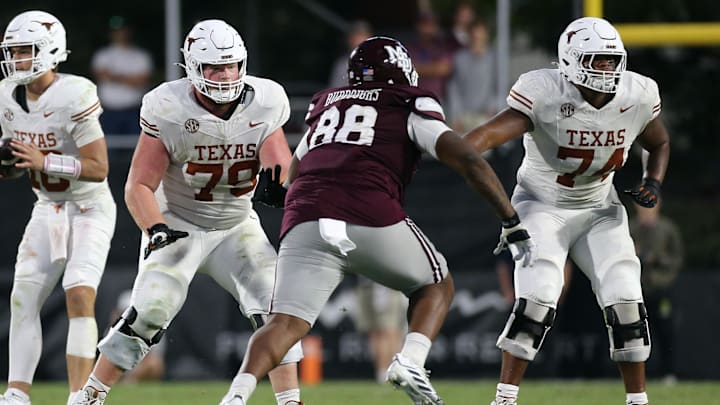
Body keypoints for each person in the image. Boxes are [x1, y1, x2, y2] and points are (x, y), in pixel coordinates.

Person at [226, 36, 536, 405]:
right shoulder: (408, 102)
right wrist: (510, 218)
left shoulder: (327, 105)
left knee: (284, 323)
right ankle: (410, 362)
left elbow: (292, 173)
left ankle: (236, 395)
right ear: (402, 71)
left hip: (305, 213)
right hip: (365, 208)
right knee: (437, 284)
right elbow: (466, 158)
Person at [70, 19, 303, 405]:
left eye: (231, 65)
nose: (225, 74)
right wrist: (155, 228)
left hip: (235, 224)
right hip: (179, 222)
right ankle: (89, 395)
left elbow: (279, 164)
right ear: (193, 67)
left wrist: (281, 184)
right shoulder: (168, 106)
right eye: (214, 66)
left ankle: (290, 400)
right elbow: (139, 185)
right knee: (150, 309)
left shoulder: (266, 98)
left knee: (276, 304)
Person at [464, 17, 671, 405]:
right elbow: (488, 135)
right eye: (597, 60)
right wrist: (460, 147)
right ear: (571, 60)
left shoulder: (637, 94)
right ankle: (505, 399)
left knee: (626, 295)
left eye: (612, 60)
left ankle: (638, 401)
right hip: (542, 205)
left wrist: (653, 181)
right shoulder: (544, 91)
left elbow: (658, 143)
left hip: (599, 208)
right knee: (539, 295)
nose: (607, 69)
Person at [0, 10, 117, 405]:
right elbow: (21, 165)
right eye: (13, 51)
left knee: (79, 294)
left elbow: (100, 168)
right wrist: (9, 166)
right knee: (23, 297)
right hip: (47, 207)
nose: (17, 59)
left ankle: (79, 396)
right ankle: (17, 393)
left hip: (88, 208)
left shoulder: (75, 93)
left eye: (25, 51)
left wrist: (44, 161)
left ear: (49, 51)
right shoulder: (5, 95)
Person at [629, 201, 683, 383]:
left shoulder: (668, 229)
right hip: (637, 290)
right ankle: (634, 375)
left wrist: (656, 260)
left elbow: (676, 259)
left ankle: (668, 373)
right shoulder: (630, 228)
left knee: (665, 330)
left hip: (661, 289)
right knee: (634, 333)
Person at [91, 16, 153, 135]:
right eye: (116, 31)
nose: (119, 34)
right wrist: (130, 79)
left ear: (128, 31)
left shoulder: (140, 55)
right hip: (108, 111)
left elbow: (141, 81)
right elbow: (100, 75)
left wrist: (113, 76)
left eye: (122, 30)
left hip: (134, 110)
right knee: (109, 149)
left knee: (137, 149)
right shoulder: (102, 55)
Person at [445, 19, 498, 133]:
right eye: (474, 36)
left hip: (486, 116)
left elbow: (498, 85)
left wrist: (492, 110)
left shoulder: (494, 58)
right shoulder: (459, 58)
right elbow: (454, 87)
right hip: (463, 117)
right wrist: (456, 116)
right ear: (469, 36)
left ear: (486, 36)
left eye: (480, 35)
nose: (477, 39)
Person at [353, 277, 407, 383]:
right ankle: (382, 373)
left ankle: (395, 372)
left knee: (389, 330)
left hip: (386, 284)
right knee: (375, 332)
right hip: (366, 283)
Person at [108, 290, 165, 383]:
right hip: (120, 366)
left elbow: (152, 359)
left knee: (154, 363)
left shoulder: (152, 330)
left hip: (138, 367)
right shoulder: (112, 331)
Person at [406, 12, 455, 100]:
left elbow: (444, 69)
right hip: (415, 99)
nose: (428, 29)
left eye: (432, 25)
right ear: (418, 26)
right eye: (425, 24)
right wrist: (433, 67)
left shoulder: (443, 47)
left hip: (439, 99)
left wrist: (420, 68)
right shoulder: (410, 48)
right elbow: (407, 70)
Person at [327, 20, 372, 88]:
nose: (358, 40)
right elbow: (333, 91)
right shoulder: (342, 65)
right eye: (356, 36)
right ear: (349, 39)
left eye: (362, 36)